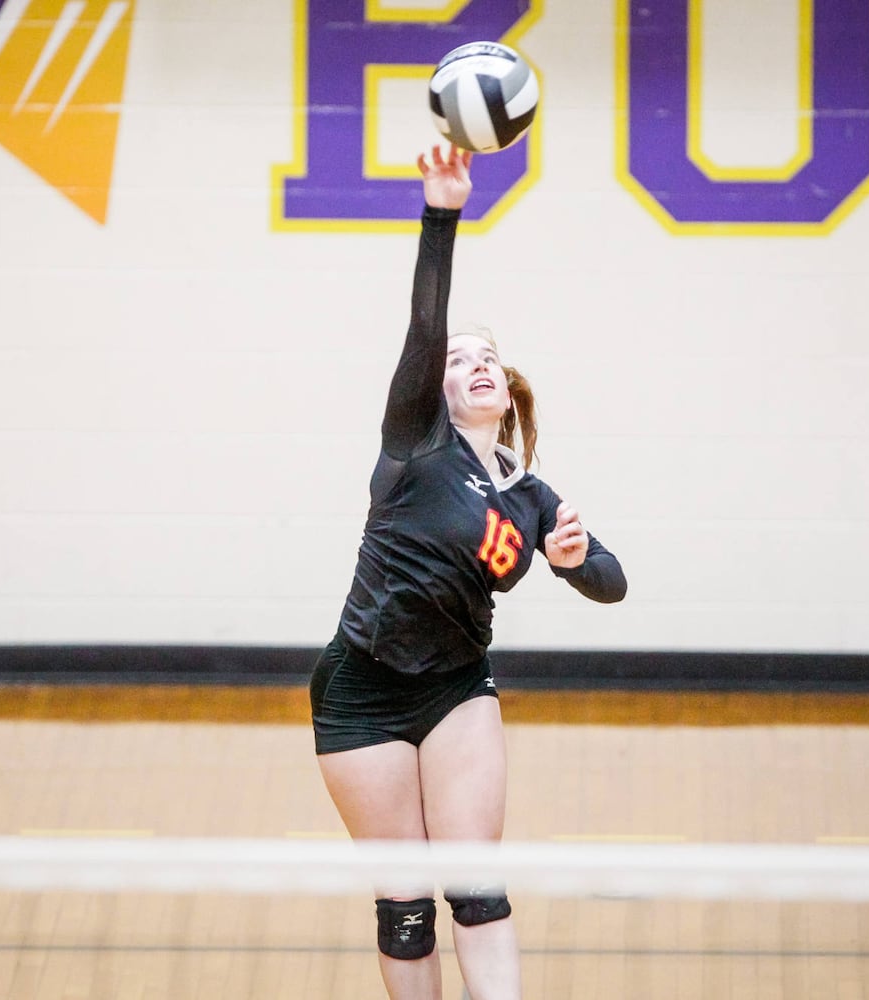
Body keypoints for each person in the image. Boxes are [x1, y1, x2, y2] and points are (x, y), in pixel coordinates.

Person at [309, 143, 628, 1000]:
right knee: (406, 904)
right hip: (361, 688)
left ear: (507, 386)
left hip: (456, 687)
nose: (474, 361)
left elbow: (611, 580)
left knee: (477, 888)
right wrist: (441, 214)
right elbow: (423, 325)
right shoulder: (415, 441)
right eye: (458, 358)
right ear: (434, 386)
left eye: (487, 355)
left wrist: (577, 559)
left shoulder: (528, 495)